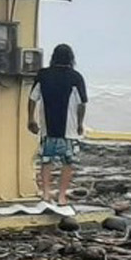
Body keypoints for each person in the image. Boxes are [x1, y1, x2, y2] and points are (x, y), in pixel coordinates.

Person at [27, 43, 87, 213]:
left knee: (46, 161)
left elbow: (32, 98)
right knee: (67, 163)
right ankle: (61, 196)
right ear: (71, 59)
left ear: (53, 57)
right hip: (68, 130)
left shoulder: (43, 75)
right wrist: (80, 123)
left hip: (47, 128)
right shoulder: (76, 77)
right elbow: (82, 104)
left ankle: (46, 194)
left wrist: (30, 119)